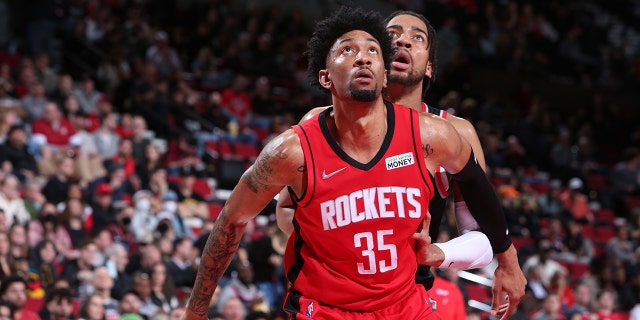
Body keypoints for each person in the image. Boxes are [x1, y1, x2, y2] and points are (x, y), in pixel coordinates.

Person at [185, 6, 508, 319]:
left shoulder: (437, 135)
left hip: (408, 301)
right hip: (326, 306)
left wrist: (505, 261)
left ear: (384, 75)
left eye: (371, 50)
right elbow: (233, 219)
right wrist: (196, 311)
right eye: (348, 50)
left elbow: (485, 208)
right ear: (325, 77)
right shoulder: (294, 149)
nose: (363, 56)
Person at [275, 9, 526, 319]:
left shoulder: (453, 133)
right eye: (392, 36)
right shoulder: (326, 122)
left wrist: (439, 252)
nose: (403, 41)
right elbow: (286, 209)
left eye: (417, 38)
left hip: (408, 299)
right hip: (334, 301)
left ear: (430, 67)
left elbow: (485, 238)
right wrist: (333, 249)